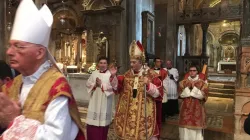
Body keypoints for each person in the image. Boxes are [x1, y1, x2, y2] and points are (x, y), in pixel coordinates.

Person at [0, 0, 85, 139]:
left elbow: (56, 136)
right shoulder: (12, 85)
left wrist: (14, 122)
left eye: (19, 46)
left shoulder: (56, 87)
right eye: (10, 45)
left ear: (39, 53)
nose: (9, 51)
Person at [113, 40, 163, 140]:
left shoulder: (152, 75)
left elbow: (159, 94)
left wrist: (148, 84)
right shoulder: (127, 75)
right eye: (131, 62)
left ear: (141, 62)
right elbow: (117, 89)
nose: (131, 64)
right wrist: (113, 77)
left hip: (144, 115)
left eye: (134, 62)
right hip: (129, 115)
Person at [86, 56, 117, 140]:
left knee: (103, 123)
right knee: (93, 122)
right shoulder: (94, 73)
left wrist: (102, 85)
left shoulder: (110, 74)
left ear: (107, 64)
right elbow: (88, 84)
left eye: (104, 63)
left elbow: (114, 87)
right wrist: (95, 84)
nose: (103, 65)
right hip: (95, 100)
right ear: (98, 64)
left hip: (105, 100)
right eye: (101, 63)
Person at [178, 65, 208, 140]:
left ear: (197, 72)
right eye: (190, 70)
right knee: (185, 130)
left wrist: (194, 88)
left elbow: (202, 96)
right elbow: (181, 94)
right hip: (185, 109)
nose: (192, 72)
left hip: (197, 110)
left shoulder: (203, 83)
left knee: (196, 132)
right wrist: (189, 88)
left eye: (194, 70)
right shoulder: (183, 82)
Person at [152, 57, 168, 125]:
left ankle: (161, 120)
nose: (159, 63)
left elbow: (166, 81)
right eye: (157, 61)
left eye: (160, 62)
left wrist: (164, 90)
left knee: (161, 107)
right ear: (154, 62)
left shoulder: (164, 71)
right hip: (152, 91)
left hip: (162, 91)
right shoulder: (150, 71)